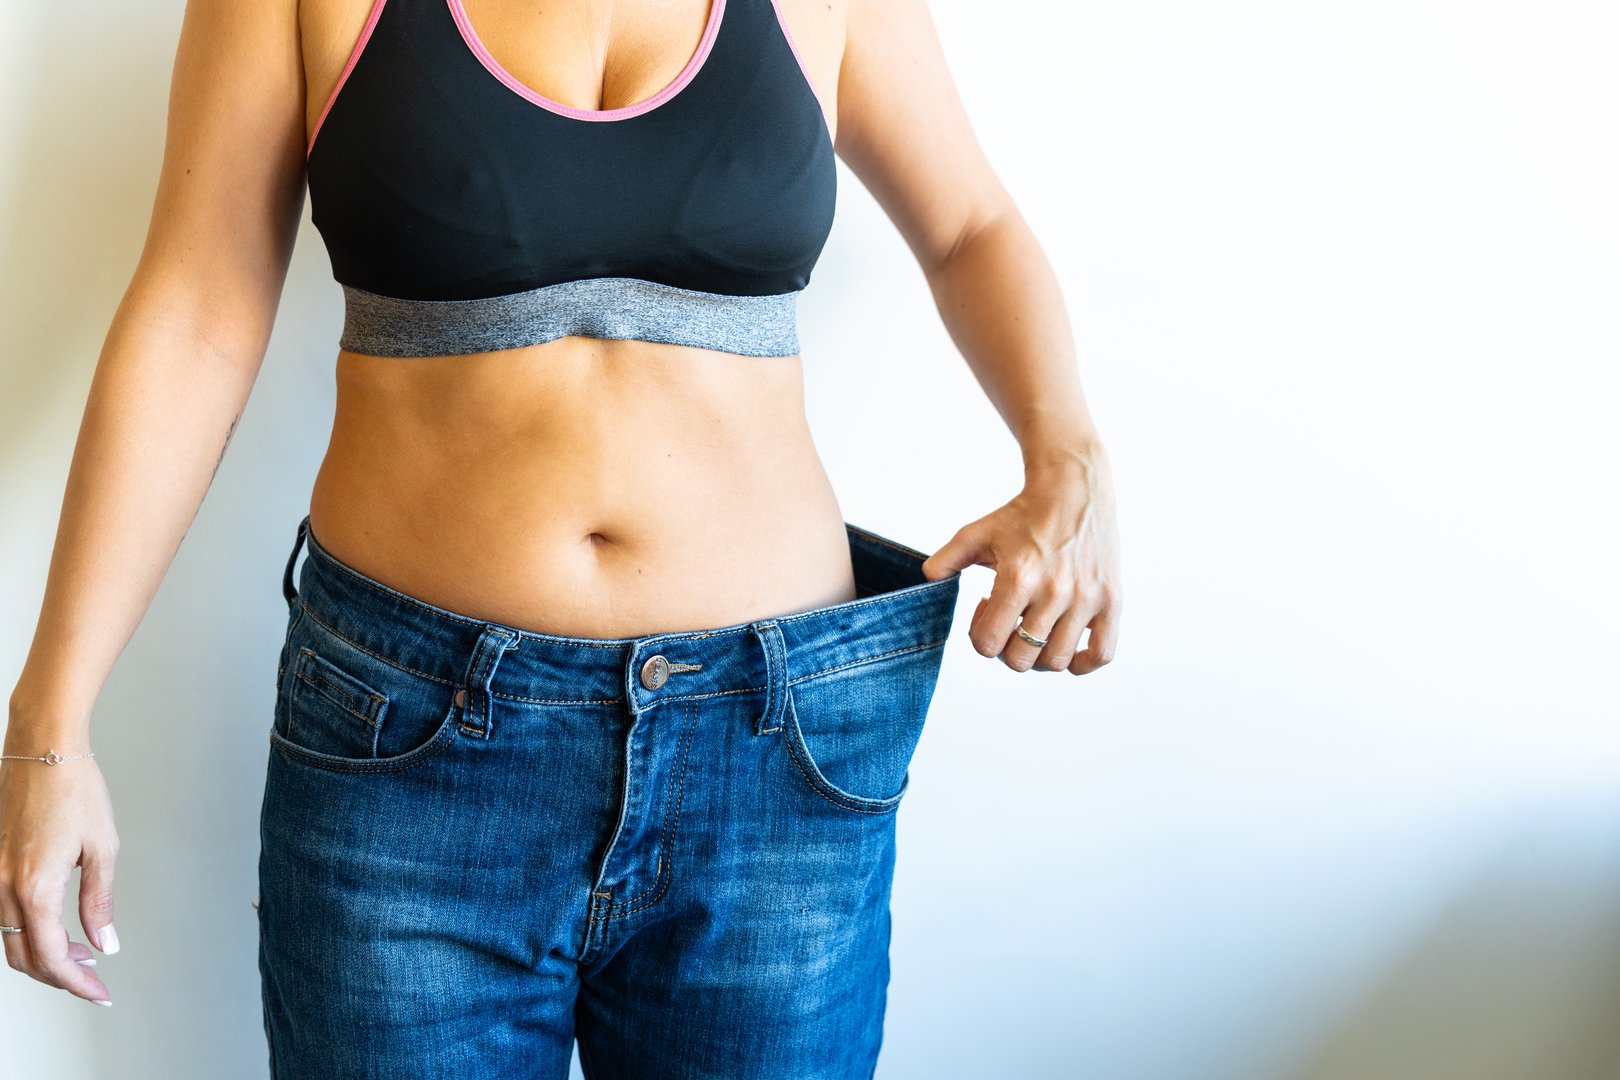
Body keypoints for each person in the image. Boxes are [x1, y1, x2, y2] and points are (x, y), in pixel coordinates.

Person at [0, 0, 1122, 1074]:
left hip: (772, 762)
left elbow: (971, 226)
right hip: (411, 759)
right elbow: (197, 311)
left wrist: (1068, 452)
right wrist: (47, 725)